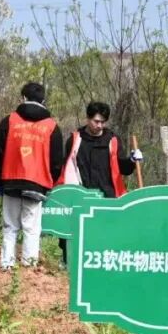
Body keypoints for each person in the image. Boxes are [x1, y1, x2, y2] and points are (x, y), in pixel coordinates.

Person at [55, 101, 142, 264]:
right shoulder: (75, 139)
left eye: (103, 122)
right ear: (87, 119)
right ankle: (70, 263)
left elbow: (123, 168)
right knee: (76, 233)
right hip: (81, 195)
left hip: (107, 196)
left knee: (106, 236)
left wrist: (131, 160)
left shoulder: (112, 140)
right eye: (96, 121)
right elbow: (65, 167)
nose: (100, 125)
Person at [0, 82, 64, 269]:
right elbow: (57, 161)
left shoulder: (9, 121)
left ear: (23, 98)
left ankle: (6, 265)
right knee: (31, 228)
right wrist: (49, 183)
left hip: (10, 180)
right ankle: (29, 267)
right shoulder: (51, 126)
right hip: (37, 183)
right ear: (43, 100)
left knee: (10, 226)